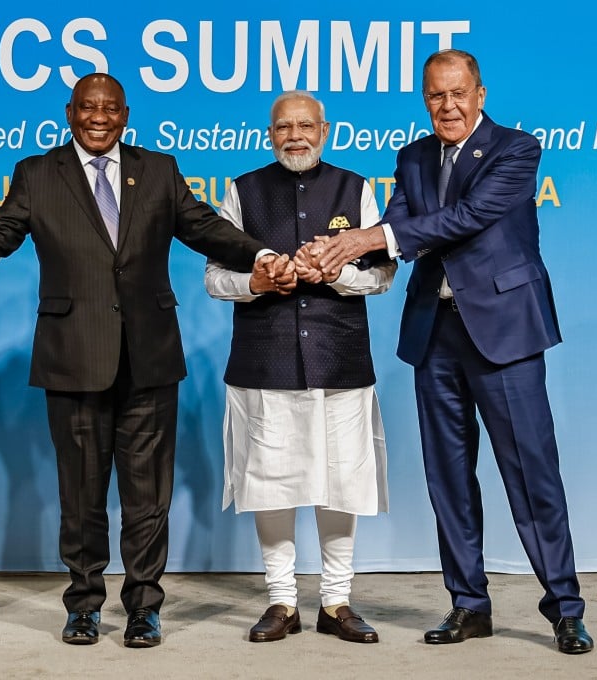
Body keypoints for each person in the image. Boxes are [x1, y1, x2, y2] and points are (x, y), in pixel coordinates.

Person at [0, 72, 268, 648]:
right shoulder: (38, 173)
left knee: (147, 495)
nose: (98, 118)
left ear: (125, 114)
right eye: (87, 108)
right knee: (80, 494)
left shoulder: (158, 169)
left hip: (150, 358)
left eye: (109, 108)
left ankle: (144, 607)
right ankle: (82, 605)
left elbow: (205, 227)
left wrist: (261, 252)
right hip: (73, 357)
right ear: (70, 111)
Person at [306, 49, 593, 654]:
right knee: (448, 479)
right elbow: (394, 234)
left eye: (458, 93)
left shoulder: (517, 150)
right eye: (436, 96)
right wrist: (327, 256)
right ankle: (469, 604)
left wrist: (370, 236)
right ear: (424, 100)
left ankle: (564, 608)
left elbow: (467, 217)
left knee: (531, 473)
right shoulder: (412, 156)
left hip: (505, 333)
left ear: (480, 94)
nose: (448, 106)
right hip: (434, 335)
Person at [204, 91, 395, 644]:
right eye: (284, 126)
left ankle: (336, 602)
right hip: (264, 362)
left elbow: (382, 277)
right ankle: (281, 600)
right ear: (270, 133)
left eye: (305, 125)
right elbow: (215, 278)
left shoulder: (356, 188)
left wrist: (335, 272)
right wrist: (255, 283)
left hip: (340, 360)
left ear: (324, 130)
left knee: (342, 484)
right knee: (271, 483)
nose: (295, 135)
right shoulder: (243, 191)